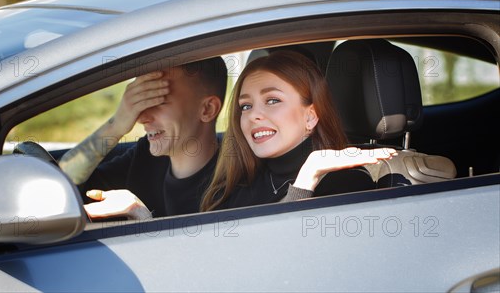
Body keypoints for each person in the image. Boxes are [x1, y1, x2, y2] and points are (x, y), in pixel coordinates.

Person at [201, 50, 395, 212]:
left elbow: (285, 253)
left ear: (310, 116)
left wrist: (306, 181)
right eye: (245, 106)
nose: (253, 115)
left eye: (272, 100)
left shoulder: (347, 184)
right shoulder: (235, 188)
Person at [59, 57, 228, 219]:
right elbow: (60, 188)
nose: (141, 118)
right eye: (142, 102)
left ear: (207, 109)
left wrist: (142, 217)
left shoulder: (234, 182)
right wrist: (115, 126)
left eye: (158, 101)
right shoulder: (144, 158)